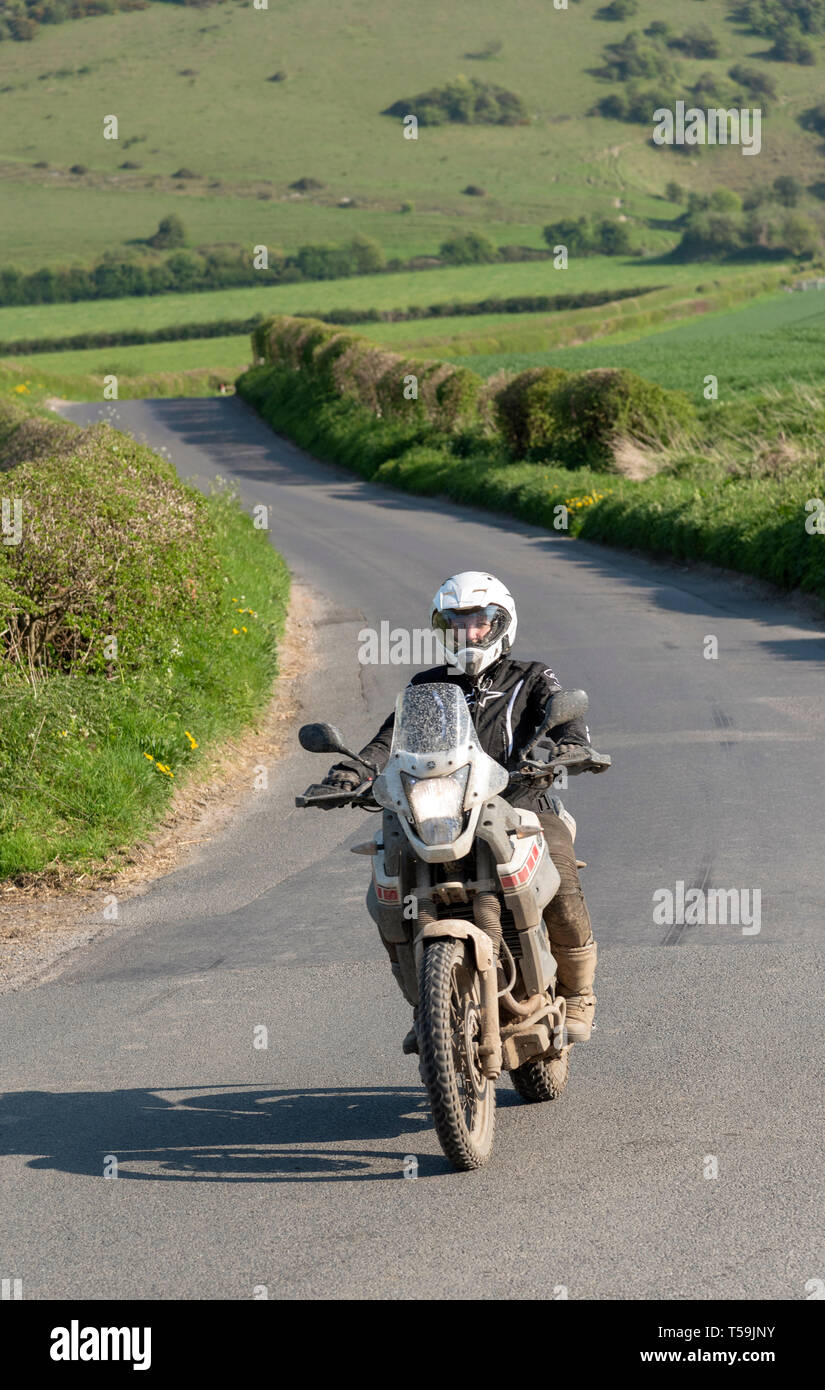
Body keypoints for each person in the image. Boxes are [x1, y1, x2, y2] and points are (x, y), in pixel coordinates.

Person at [321, 571, 599, 1054]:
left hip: (520, 801)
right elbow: (388, 741)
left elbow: (566, 716)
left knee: (561, 877)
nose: (466, 634)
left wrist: (567, 747)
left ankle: (578, 994)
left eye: (477, 622)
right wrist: (352, 773)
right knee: (389, 884)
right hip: (439, 810)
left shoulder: (531, 676)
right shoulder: (427, 687)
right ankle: (427, 1006)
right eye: (455, 624)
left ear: (500, 625)